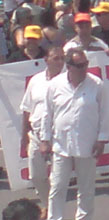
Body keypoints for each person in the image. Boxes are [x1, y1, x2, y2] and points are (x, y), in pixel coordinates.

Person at [40, 48, 109, 220]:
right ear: (69, 66)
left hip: (87, 144)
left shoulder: (97, 84)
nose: (84, 68)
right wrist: (44, 139)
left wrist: (101, 140)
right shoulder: (55, 84)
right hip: (61, 144)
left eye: (85, 64)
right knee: (57, 187)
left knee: (86, 189)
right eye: (79, 65)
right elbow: (47, 113)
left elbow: (105, 113)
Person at [20, 46, 65, 210]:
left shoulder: (68, 81)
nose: (60, 62)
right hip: (36, 135)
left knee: (57, 180)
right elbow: (27, 108)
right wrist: (24, 136)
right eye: (56, 58)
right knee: (36, 176)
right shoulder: (35, 80)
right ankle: (48, 207)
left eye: (62, 58)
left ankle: (55, 213)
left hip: (58, 136)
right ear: (46, 60)